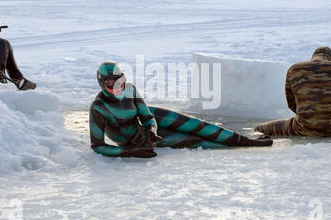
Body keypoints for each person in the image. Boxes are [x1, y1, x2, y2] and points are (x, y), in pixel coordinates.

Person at [89, 61, 273, 158]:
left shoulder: (129, 89)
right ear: (101, 83)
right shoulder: (99, 108)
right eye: (110, 83)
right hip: (132, 139)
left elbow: (146, 115)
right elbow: (98, 146)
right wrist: (129, 151)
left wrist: (151, 128)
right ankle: (236, 144)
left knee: (194, 124)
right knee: (194, 139)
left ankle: (245, 140)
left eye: (119, 80)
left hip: (145, 128)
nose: (117, 86)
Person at [254, 47, 331, 137]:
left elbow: (291, 103)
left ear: (313, 57)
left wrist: (308, 115)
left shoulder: (294, 70)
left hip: (300, 128)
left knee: (259, 128)